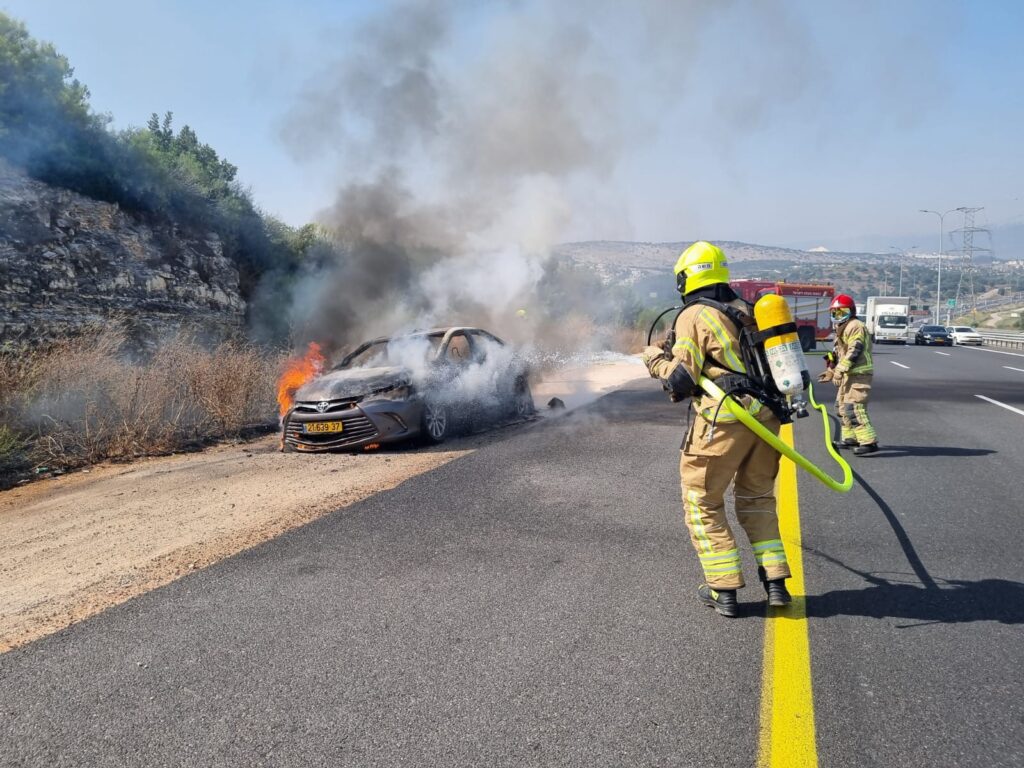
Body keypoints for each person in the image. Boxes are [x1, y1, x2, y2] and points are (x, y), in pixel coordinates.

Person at [642, 241, 791, 618]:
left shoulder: (692, 315)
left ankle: (722, 588)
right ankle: (776, 583)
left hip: (725, 420)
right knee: (757, 501)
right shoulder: (746, 310)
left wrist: (655, 360)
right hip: (766, 420)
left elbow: (680, 379)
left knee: (703, 504)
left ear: (686, 278)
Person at [817, 294, 877, 455]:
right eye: (834, 313)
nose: (837, 317)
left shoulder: (855, 326)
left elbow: (854, 351)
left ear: (851, 311)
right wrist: (830, 371)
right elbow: (837, 354)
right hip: (847, 375)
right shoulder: (841, 329)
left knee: (854, 407)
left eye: (841, 312)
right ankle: (850, 438)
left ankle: (868, 442)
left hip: (858, 374)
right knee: (841, 407)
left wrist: (839, 370)